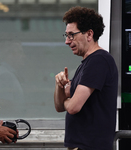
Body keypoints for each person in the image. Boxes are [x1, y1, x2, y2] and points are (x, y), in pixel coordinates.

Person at [54, 6, 118, 150]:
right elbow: (59, 107)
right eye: (66, 36)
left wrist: (69, 101)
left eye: (71, 35)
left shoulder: (99, 61)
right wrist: (59, 85)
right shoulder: (86, 64)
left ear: (89, 34)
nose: (67, 41)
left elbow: (73, 108)